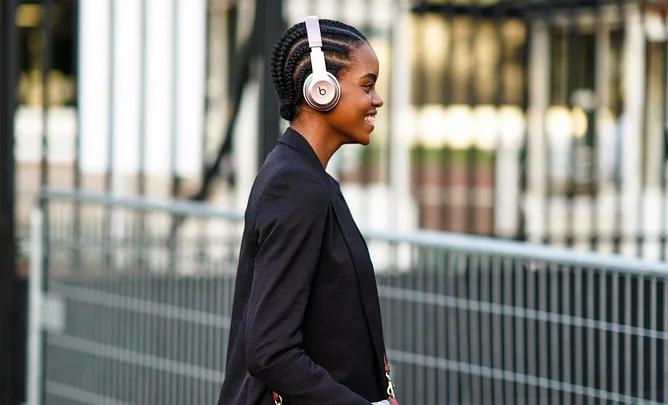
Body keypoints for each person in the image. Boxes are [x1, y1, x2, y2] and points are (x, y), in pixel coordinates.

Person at [217, 15, 398, 405]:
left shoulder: (308, 177)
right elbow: (271, 352)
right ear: (322, 90)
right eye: (367, 86)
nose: (377, 99)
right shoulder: (295, 185)